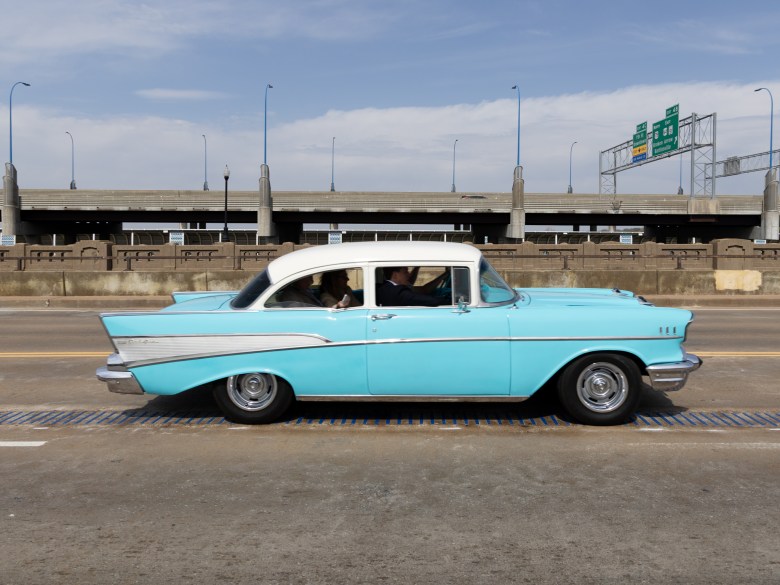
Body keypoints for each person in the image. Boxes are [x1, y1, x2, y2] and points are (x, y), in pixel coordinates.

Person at [376, 266, 449, 307]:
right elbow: (432, 301)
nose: (408, 274)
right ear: (395, 275)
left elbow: (414, 285)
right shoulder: (399, 292)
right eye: (405, 272)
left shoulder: (382, 287)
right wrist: (449, 301)